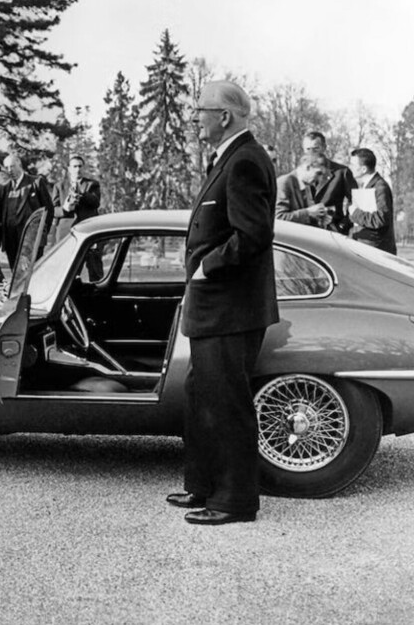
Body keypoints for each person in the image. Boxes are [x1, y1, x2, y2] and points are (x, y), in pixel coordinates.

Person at [168, 80, 279, 526]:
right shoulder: (231, 158)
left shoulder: (247, 160)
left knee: (226, 403)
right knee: (202, 396)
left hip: (230, 308)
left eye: (201, 110)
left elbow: (251, 235)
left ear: (225, 116)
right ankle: (204, 486)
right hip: (217, 308)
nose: (195, 117)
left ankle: (234, 502)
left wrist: (205, 266)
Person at [52, 154, 103, 279]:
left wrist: (81, 193)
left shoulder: (92, 185)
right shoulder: (59, 186)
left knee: (94, 269)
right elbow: (52, 209)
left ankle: (97, 297)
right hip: (67, 234)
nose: (77, 169)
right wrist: (65, 208)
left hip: (88, 232)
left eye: (80, 166)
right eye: (74, 166)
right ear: (69, 168)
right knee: (68, 272)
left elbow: (95, 202)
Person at [1, 153, 52, 270]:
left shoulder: (36, 183)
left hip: (32, 239)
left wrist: (41, 232)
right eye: (7, 167)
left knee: (34, 275)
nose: (10, 170)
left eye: (12, 166)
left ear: (20, 165)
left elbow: (49, 210)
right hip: (11, 240)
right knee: (15, 277)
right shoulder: (5, 188)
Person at [302, 131, 357, 233]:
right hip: (304, 231)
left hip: (332, 232)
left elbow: (356, 201)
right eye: (308, 149)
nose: (311, 152)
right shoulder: (298, 174)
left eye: (316, 148)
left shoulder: (341, 172)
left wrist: (344, 224)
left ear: (324, 148)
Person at [347, 147, 397, 254]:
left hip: (377, 252)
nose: (349, 168)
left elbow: (380, 219)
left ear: (364, 169)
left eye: (353, 165)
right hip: (368, 249)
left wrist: (355, 213)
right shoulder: (367, 186)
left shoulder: (380, 187)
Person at [275, 153, 330, 225]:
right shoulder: (284, 183)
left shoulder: (307, 185)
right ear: (307, 167)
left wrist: (319, 218)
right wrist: (308, 212)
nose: (320, 179)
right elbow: (279, 218)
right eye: (318, 173)